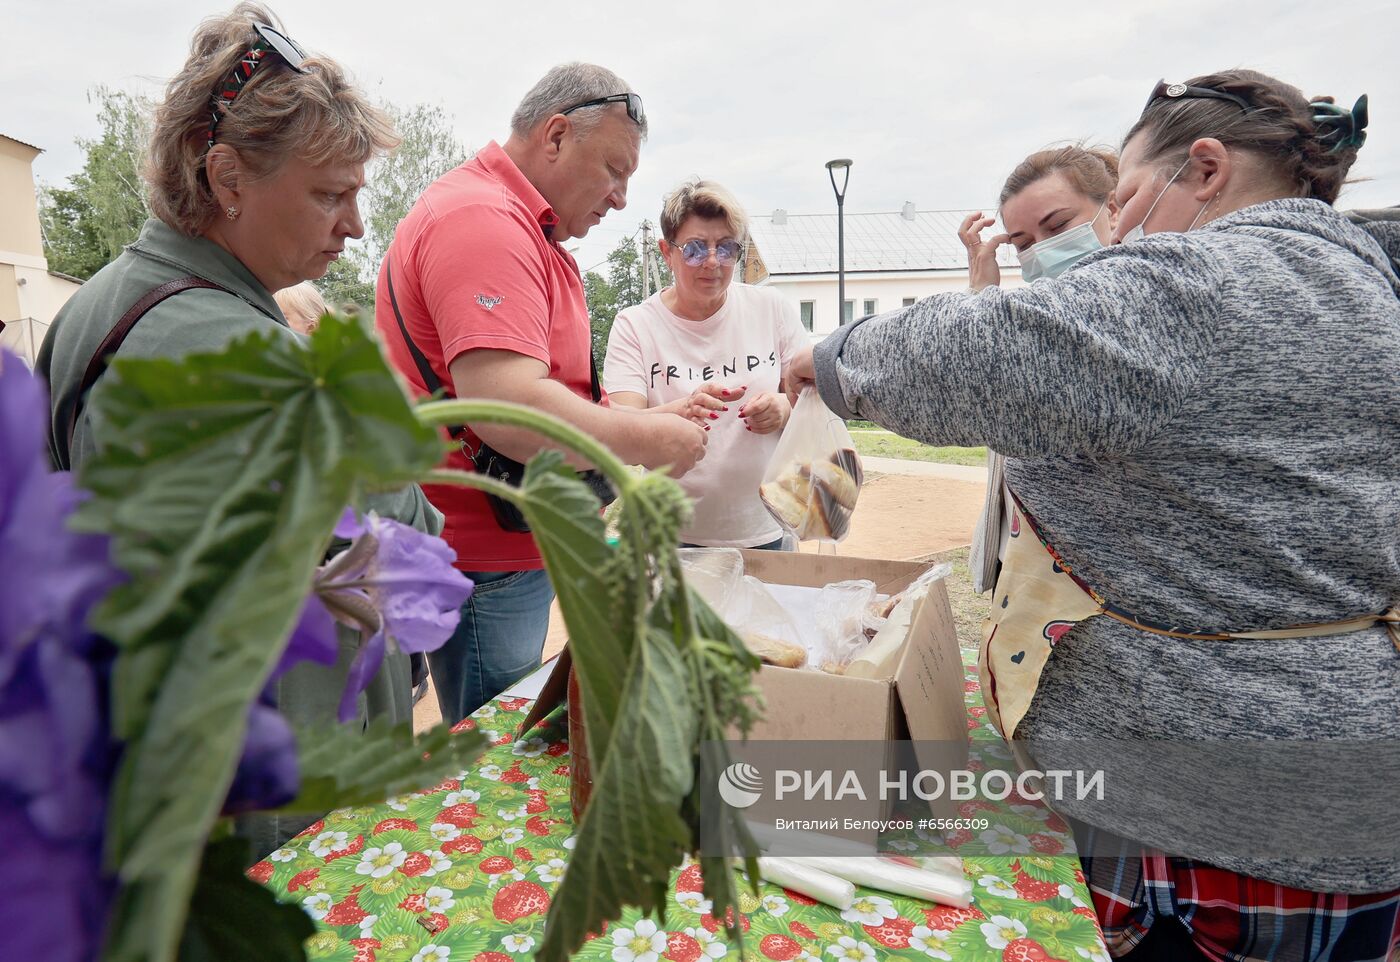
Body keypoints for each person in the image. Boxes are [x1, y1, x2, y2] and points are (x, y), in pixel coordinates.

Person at [790, 69, 1398, 961]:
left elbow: (980, 351)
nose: (1116, 234)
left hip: (1199, 800)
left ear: (1205, 168)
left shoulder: (1213, 276)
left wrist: (827, 360)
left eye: (1123, 202)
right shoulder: (1365, 287)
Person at [34, 2, 439, 848]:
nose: (356, 226)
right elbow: (411, 539)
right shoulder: (248, 356)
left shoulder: (101, 303)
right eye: (331, 194)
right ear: (226, 180)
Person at [375, 63, 707, 724]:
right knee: (498, 745)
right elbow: (509, 408)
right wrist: (646, 441)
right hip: (482, 556)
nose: (619, 198)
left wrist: (649, 417)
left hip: (501, 546)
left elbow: (545, 391)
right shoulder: (483, 220)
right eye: (615, 170)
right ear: (555, 136)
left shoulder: (522, 225)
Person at [603, 178, 807, 549]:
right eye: (695, 249)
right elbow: (617, 428)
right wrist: (678, 411)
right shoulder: (635, 325)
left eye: (726, 248)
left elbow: (813, 399)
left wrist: (784, 406)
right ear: (667, 251)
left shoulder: (771, 308)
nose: (712, 262)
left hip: (769, 527)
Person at [959, 146, 1119, 594]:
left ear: (1114, 207)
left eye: (1058, 226)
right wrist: (981, 291)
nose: (1044, 251)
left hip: (1098, 580)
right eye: (1024, 243)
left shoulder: (1134, 320)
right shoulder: (1031, 319)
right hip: (1029, 563)